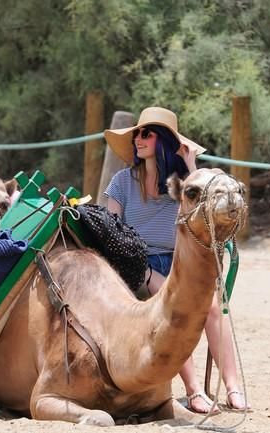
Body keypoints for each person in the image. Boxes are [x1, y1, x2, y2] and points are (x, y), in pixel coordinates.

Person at [103, 106, 250, 413]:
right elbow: (112, 233)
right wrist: (141, 271)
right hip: (138, 264)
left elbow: (210, 199)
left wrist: (190, 162)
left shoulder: (187, 187)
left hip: (181, 262)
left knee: (211, 308)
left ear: (165, 142)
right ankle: (194, 390)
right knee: (174, 307)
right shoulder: (121, 182)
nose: (138, 139)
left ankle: (234, 387)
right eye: (136, 134)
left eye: (147, 134)